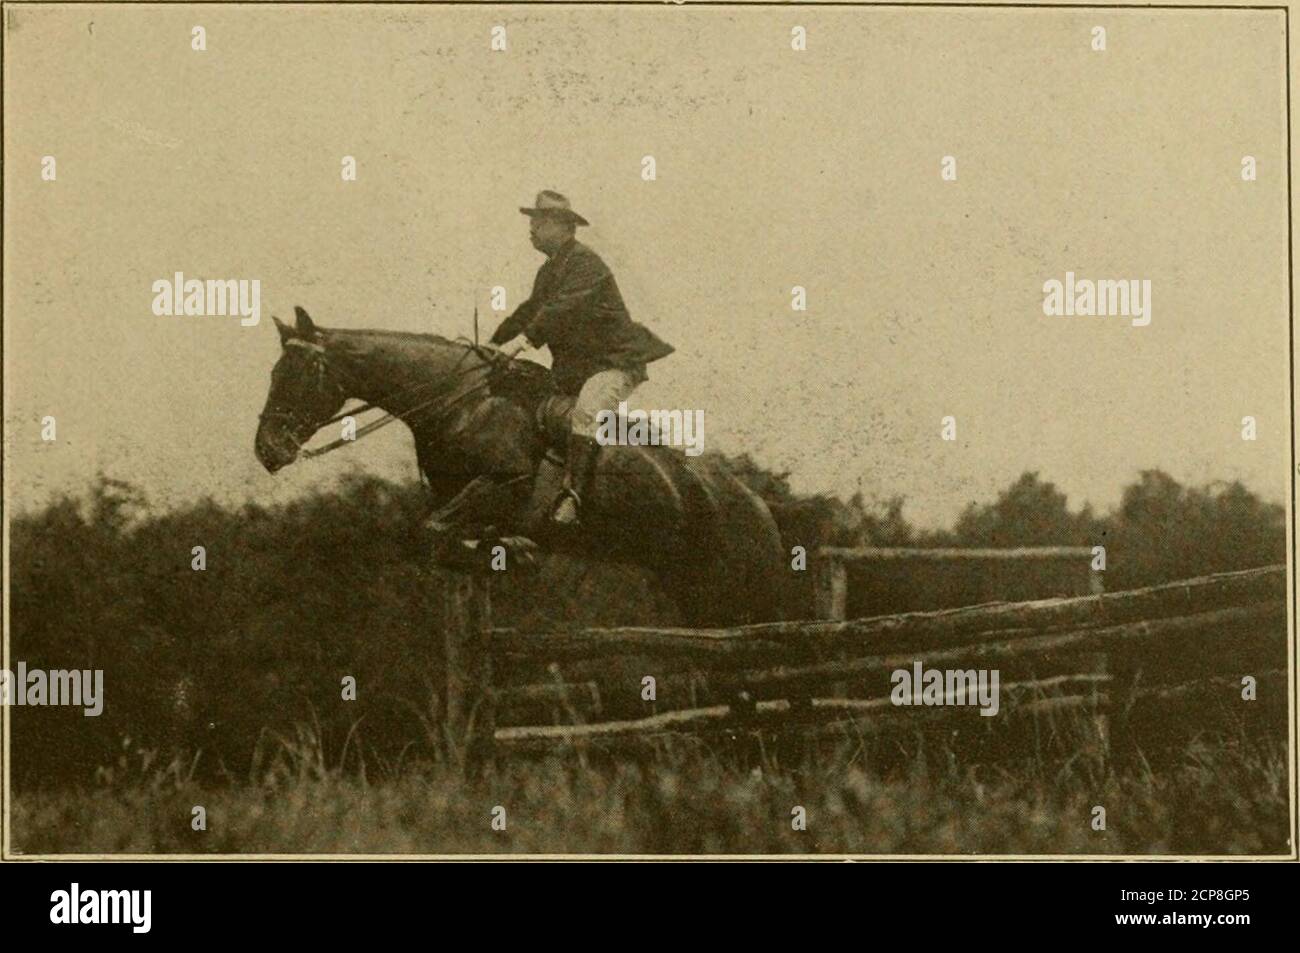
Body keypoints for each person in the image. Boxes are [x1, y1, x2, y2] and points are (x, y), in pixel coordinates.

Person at [491, 190, 674, 526]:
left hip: (614, 365)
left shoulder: (586, 264)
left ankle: (572, 499)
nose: (531, 228)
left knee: (587, 410)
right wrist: (491, 344)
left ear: (564, 227)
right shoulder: (549, 271)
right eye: (532, 221)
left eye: (539, 221)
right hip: (576, 373)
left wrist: (520, 343)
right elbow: (530, 310)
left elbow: (560, 310)